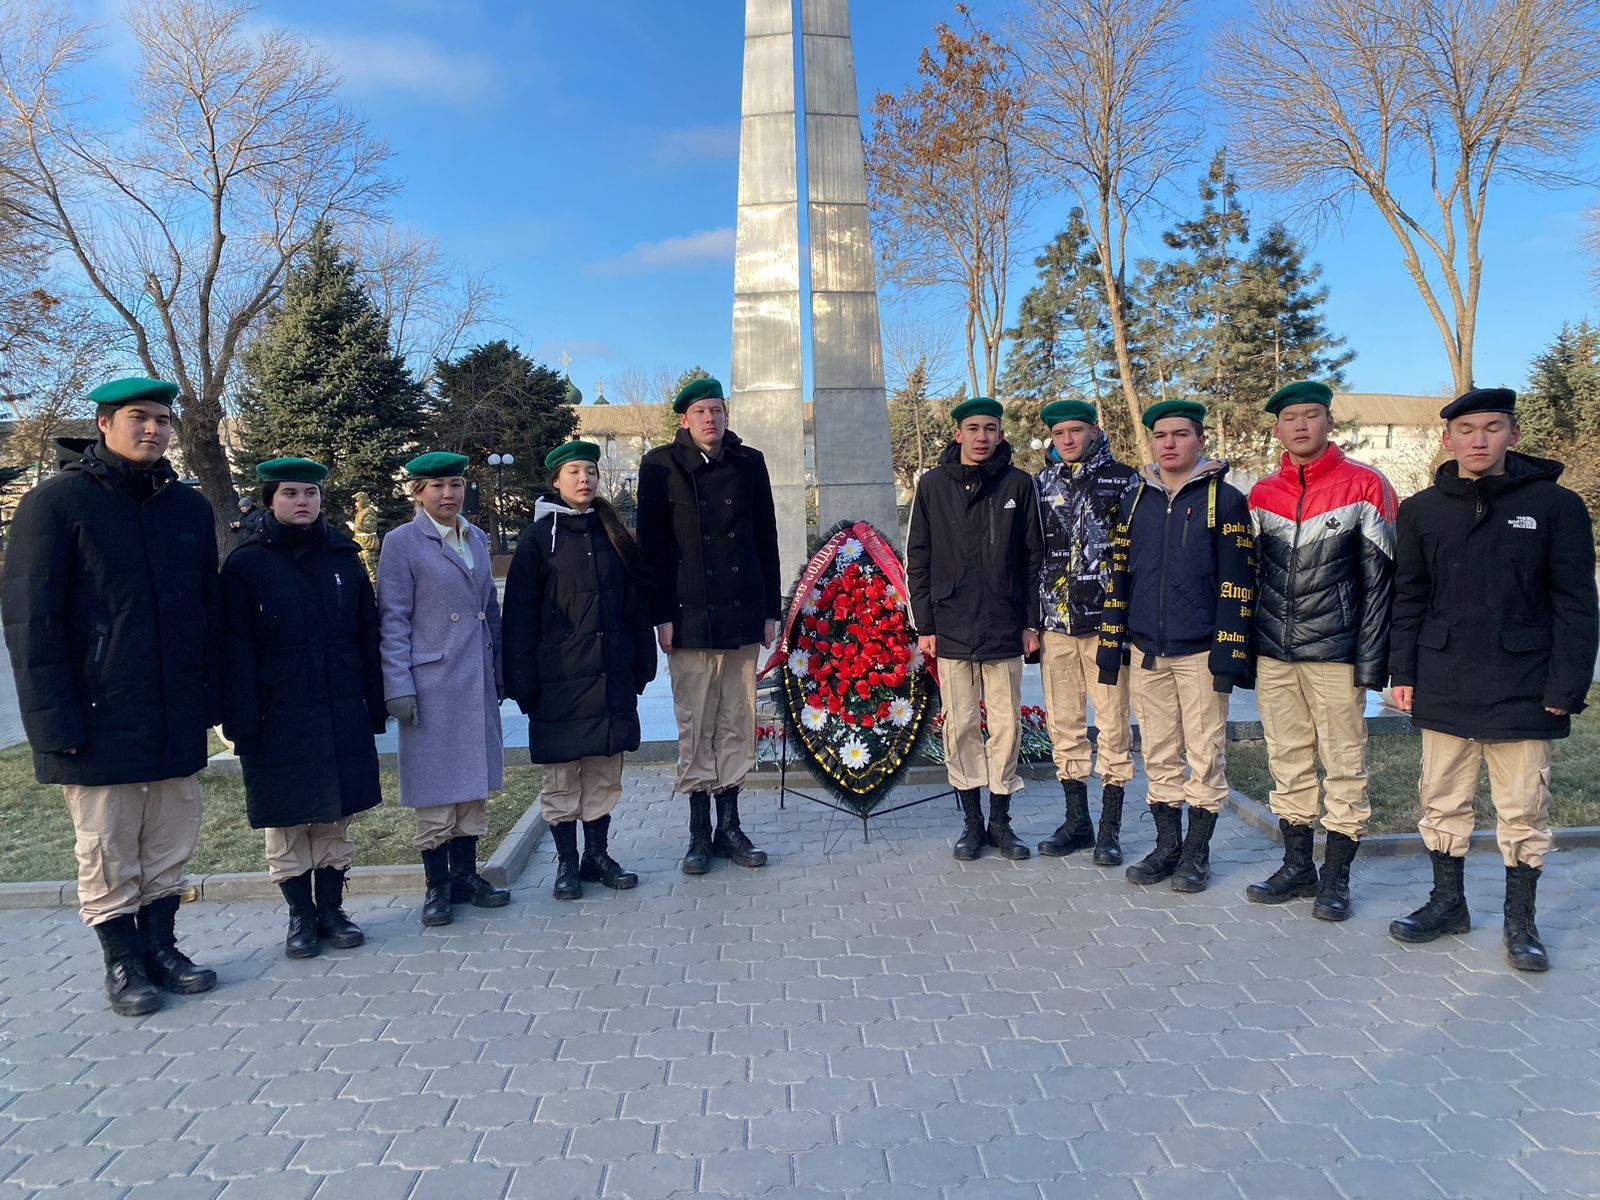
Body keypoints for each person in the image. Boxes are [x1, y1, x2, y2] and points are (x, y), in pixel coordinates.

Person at [1, 377, 220, 1016]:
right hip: (98, 714)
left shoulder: (187, 508)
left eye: (161, 419)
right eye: (137, 417)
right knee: (107, 848)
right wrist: (52, 723)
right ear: (103, 424)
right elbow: (31, 623)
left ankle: (162, 949)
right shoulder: (56, 503)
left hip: (174, 709)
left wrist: (209, 700)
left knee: (169, 843)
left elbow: (205, 610)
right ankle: (123, 965)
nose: (152, 429)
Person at [1387, 387, 1597, 972]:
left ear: (1514, 435)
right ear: (1447, 438)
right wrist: (1402, 671)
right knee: (1441, 800)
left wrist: (1566, 687)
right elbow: (1410, 598)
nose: (1479, 440)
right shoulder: (1422, 509)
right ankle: (1448, 904)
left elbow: (1577, 606)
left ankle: (1519, 923)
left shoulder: (1557, 506)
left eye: (1492, 428)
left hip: (1524, 682)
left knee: (1523, 809)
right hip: (1444, 676)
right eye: (1467, 429)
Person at [221, 457, 387, 958]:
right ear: (271, 499)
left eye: (310, 493)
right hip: (278, 711)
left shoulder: (342, 555)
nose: (302, 502)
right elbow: (235, 648)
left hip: (338, 703)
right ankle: (300, 916)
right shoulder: (246, 564)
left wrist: (373, 705)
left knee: (334, 814)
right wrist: (242, 721)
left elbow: (367, 634)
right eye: (291, 493)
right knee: (288, 818)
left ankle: (333, 911)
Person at [1246, 381, 1398, 921]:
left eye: (1312, 415)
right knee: (1286, 758)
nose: (1302, 425)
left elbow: (1381, 582)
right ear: (1278, 430)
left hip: (1336, 652)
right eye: (1291, 418)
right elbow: (1252, 574)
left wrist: (1373, 660)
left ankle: (1336, 878)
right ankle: (1296, 865)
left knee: (1344, 762)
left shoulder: (1365, 485)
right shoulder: (1262, 493)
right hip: (1274, 651)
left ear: (1330, 423)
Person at [1096, 399, 1254, 894]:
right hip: (1147, 651)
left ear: (1200, 440)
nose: (1169, 443)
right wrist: (1112, 643)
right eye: (1161, 435)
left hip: (1202, 652)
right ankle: (1167, 846)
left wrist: (1229, 654)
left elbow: (1240, 580)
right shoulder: (1133, 501)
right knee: (1160, 753)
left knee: (1204, 752)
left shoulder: (1224, 499)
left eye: (1180, 435)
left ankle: (1197, 854)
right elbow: (1119, 575)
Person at [636, 377, 781, 875]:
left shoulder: (750, 462)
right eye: (700, 412)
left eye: (717, 410)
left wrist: (769, 611)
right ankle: (699, 833)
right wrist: (660, 615)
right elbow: (651, 548)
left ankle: (731, 827)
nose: (710, 420)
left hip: (741, 611)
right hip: (688, 616)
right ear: (685, 419)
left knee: (737, 719)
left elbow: (767, 536)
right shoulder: (659, 465)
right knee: (696, 722)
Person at [503, 441, 658, 900]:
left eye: (590, 471)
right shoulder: (537, 539)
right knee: (562, 777)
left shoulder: (612, 532)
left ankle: (597, 856)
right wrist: (522, 679)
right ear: (555, 481)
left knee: (604, 772)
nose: (583, 480)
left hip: (609, 676)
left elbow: (635, 604)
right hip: (559, 681)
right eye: (574, 472)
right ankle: (567, 865)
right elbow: (519, 616)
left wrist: (642, 659)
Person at [907, 397, 1045, 861]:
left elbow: (1033, 559)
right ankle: (971, 824)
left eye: (990, 428)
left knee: (1006, 725)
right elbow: (919, 558)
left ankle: (1000, 822)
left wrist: (1030, 622)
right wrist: (924, 624)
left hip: (1005, 624)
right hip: (950, 625)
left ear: (1001, 435)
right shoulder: (931, 486)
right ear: (957, 435)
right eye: (973, 428)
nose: (981, 436)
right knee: (961, 724)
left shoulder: (1019, 485)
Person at [378, 451, 510, 926]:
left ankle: (466, 876)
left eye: (455, 484)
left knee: (472, 781)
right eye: (437, 487)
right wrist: (398, 685)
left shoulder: (473, 535)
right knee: (436, 786)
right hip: (430, 681)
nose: (449, 494)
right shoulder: (401, 542)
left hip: (473, 676)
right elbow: (392, 619)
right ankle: (436, 886)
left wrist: (499, 669)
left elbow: (488, 609)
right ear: (418, 492)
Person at [1031, 399, 1139, 865]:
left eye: (1076, 430)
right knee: (1064, 725)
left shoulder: (1125, 479)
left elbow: (1139, 551)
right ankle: (1078, 822)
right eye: (1060, 434)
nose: (1069, 440)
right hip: (1056, 623)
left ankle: (1110, 830)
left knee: (1113, 723)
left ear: (1095, 431)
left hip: (1107, 624)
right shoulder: (1041, 483)